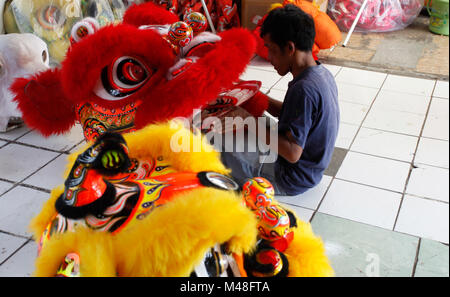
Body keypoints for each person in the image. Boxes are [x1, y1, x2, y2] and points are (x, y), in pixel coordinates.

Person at [219, 4, 340, 196]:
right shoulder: (319, 74)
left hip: (289, 176)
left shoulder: (304, 89)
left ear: (290, 48)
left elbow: (293, 153)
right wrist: (251, 93)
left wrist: (246, 119)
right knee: (251, 122)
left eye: (271, 50)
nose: (269, 57)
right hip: (310, 171)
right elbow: (294, 114)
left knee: (216, 144)